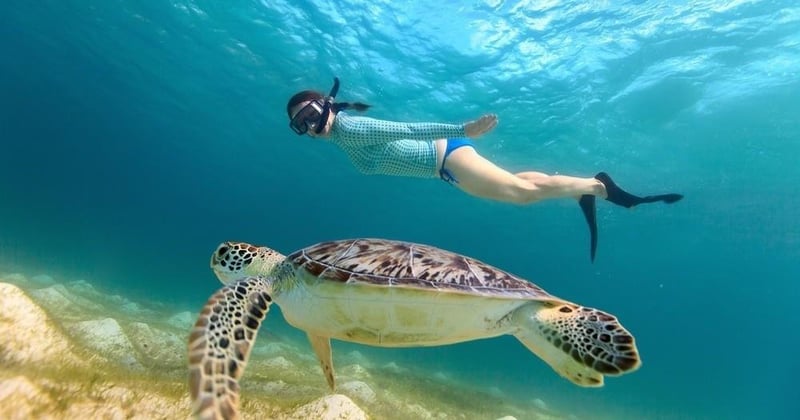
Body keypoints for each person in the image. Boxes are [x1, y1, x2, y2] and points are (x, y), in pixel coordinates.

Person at [287, 78, 683, 261]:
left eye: (307, 114)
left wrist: (464, 129)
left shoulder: (349, 128)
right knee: (522, 185)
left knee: (521, 196)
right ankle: (584, 187)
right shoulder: (342, 136)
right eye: (299, 125)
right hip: (445, 164)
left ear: (324, 104)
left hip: (446, 157)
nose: (308, 126)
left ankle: (598, 187)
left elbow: (406, 128)